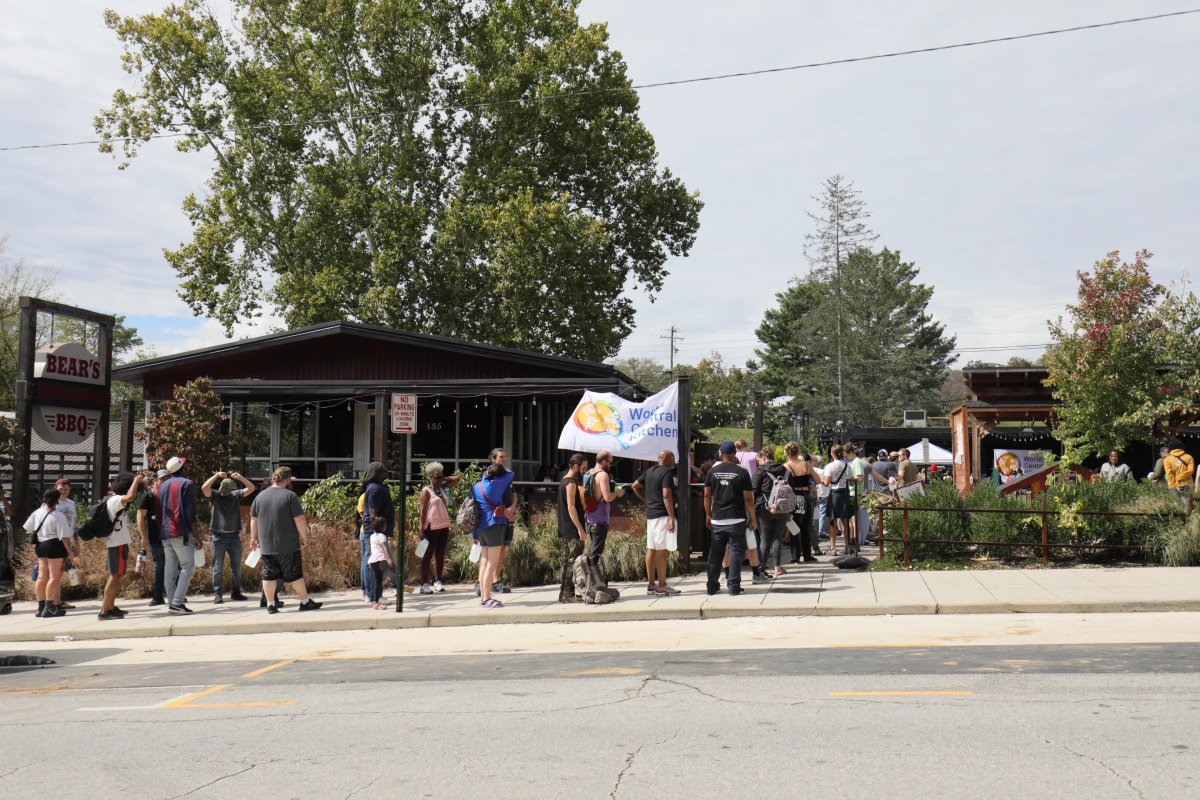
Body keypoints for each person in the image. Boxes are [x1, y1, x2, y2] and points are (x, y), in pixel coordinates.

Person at [250, 467, 322, 614]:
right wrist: (304, 538)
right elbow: (299, 519)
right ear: (288, 479)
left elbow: (253, 519)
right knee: (294, 574)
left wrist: (254, 538)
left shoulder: (260, 497)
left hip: (266, 545)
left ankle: (270, 604)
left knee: (269, 574)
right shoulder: (290, 496)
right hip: (287, 544)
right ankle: (304, 601)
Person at [704, 441, 756, 596]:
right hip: (737, 519)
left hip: (718, 519)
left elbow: (707, 495)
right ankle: (733, 586)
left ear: (720, 453)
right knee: (736, 553)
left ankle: (712, 586)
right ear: (735, 454)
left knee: (716, 553)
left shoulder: (712, 471)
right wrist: (752, 518)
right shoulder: (742, 471)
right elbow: (748, 499)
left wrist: (708, 514)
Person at [632, 450, 681, 597]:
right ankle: (662, 585)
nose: (674, 461)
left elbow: (635, 485)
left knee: (651, 549)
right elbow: (666, 495)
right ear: (665, 459)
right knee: (661, 549)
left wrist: (646, 500)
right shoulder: (666, 473)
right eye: (673, 458)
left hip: (651, 514)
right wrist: (671, 516)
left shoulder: (649, 471)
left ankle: (651, 584)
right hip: (662, 514)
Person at [202, 470, 255, 603]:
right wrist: (216, 475)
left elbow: (252, 488)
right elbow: (204, 488)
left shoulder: (236, 495)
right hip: (218, 537)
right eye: (222, 489)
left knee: (236, 567)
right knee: (217, 568)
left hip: (234, 537)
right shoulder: (214, 496)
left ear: (232, 489)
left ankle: (235, 592)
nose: (223, 492)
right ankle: (217, 594)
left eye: (226, 489)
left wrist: (240, 477)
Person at [158, 456, 202, 615]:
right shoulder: (187, 484)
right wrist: (197, 536)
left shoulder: (163, 486)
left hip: (165, 532)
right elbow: (190, 513)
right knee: (187, 567)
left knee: (169, 570)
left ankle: (172, 602)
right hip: (181, 531)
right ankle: (177, 603)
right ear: (182, 468)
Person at [99, 471, 142, 620]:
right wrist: (136, 480)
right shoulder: (115, 499)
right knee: (114, 575)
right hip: (116, 542)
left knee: (118, 575)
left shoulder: (115, 500)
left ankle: (110, 606)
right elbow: (130, 496)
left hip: (120, 542)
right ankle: (105, 610)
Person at [472, 462, 516, 608]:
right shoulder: (496, 484)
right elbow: (511, 474)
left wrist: (474, 534)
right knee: (492, 563)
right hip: (494, 525)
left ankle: (484, 598)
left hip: (481, 527)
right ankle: (486, 598)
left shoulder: (477, 486)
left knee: (485, 562)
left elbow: (473, 508)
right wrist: (498, 466)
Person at [26, 488, 71, 617]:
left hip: (40, 545)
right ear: (57, 499)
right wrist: (70, 552)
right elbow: (64, 537)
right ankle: (49, 606)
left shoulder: (37, 512)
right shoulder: (58, 515)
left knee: (41, 577)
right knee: (54, 576)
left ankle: (40, 607)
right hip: (54, 544)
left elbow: (28, 528)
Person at [417, 462, 456, 594]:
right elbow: (422, 511)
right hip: (431, 525)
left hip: (443, 524)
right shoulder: (426, 491)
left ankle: (438, 580)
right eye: (436, 477)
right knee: (428, 554)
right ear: (430, 477)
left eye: (440, 477)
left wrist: (442, 478)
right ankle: (424, 583)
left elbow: (456, 479)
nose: (438, 480)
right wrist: (421, 528)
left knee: (440, 553)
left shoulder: (442, 488)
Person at [753, 446, 790, 578]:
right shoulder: (784, 470)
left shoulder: (761, 470)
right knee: (777, 537)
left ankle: (762, 569)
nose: (758, 462)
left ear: (763, 457)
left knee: (764, 538)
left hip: (764, 507)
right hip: (782, 507)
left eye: (758, 459)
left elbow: (754, 490)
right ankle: (777, 567)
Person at [557, 453, 589, 603]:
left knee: (567, 561)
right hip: (572, 529)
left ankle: (564, 594)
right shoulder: (570, 483)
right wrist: (580, 529)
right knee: (572, 562)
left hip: (565, 527)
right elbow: (571, 507)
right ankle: (567, 594)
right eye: (583, 468)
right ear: (575, 466)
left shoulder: (563, 481)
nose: (584, 471)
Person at [361, 462, 394, 600]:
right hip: (374, 533)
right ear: (377, 473)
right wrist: (377, 533)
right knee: (373, 563)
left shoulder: (376, 487)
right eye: (383, 471)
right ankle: (374, 595)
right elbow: (373, 512)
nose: (387, 472)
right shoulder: (375, 489)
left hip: (375, 532)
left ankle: (371, 594)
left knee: (370, 561)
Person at [584, 450, 625, 565]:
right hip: (600, 519)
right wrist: (617, 492)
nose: (611, 465)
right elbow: (607, 497)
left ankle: (589, 578)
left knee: (592, 548)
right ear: (603, 461)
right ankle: (590, 579)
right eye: (610, 462)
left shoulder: (589, 472)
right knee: (595, 553)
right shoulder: (603, 475)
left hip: (589, 517)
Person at [138, 470, 170, 606]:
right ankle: (158, 596)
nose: (165, 481)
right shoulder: (149, 496)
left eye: (167, 479)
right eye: (162, 479)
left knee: (175, 566)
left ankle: (175, 595)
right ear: (156, 481)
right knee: (160, 565)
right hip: (155, 537)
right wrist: (144, 536)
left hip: (172, 536)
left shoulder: (172, 494)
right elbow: (140, 516)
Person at [782, 442, 818, 562]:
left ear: (787, 452)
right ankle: (807, 555)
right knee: (805, 526)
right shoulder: (807, 465)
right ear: (798, 451)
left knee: (793, 525)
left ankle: (795, 556)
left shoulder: (786, 466)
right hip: (805, 496)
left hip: (792, 497)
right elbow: (817, 480)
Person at [822, 445, 853, 555]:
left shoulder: (830, 466)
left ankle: (832, 547)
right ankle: (848, 546)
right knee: (845, 520)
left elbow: (826, 483)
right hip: (845, 493)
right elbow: (852, 482)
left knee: (833, 521)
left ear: (832, 453)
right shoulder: (848, 466)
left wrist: (820, 480)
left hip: (834, 493)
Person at [367, 528, 402, 610]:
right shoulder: (382, 536)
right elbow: (384, 547)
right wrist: (389, 558)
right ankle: (400, 583)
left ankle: (375, 602)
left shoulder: (372, 536)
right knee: (389, 572)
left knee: (378, 582)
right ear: (383, 527)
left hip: (373, 561)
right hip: (381, 559)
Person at [1164, 440, 1195, 508]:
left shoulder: (1167, 459)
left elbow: (1169, 474)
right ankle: (1187, 518)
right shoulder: (1189, 457)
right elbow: (1190, 471)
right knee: (1187, 506)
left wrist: (1176, 484)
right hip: (1187, 484)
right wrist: (1179, 478)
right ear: (1182, 447)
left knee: (1175, 506)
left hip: (1173, 485)